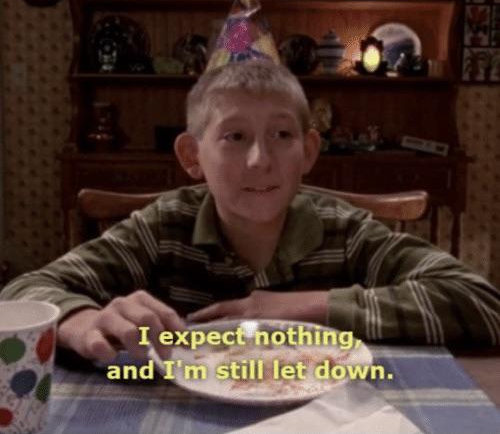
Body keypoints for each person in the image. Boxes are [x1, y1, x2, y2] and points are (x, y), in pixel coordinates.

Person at [1, 58, 499, 364]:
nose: (260, 160)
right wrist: (82, 319)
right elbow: (22, 293)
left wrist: (303, 308)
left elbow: (481, 303)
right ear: (192, 156)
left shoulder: (347, 233)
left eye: (281, 135)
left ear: (308, 151)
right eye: (235, 136)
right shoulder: (162, 228)